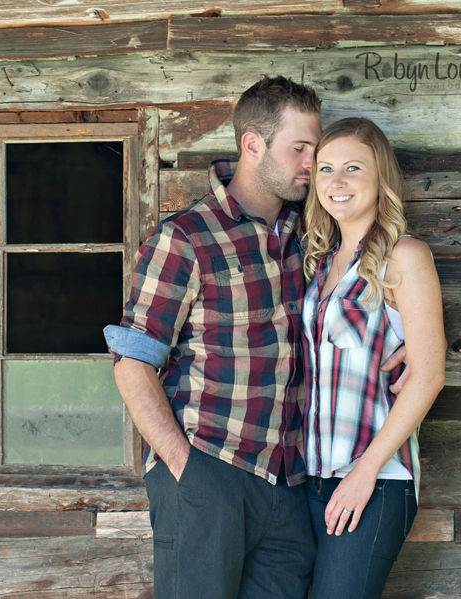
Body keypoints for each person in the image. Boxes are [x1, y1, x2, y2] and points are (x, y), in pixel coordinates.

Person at [103, 76, 322, 599]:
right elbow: (132, 363)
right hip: (210, 472)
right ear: (253, 144)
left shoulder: (309, 233)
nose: (312, 162)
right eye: (300, 148)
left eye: (316, 148)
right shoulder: (185, 238)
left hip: (288, 485)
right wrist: (186, 468)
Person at [300, 117, 447, 599]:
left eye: (352, 169)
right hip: (310, 479)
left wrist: (364, 473)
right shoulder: (318, 263)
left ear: (381, 179)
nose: (336, 182)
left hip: (376, 480)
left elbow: (427, 375)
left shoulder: (404, 257)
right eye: (325, 169)